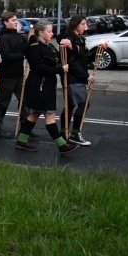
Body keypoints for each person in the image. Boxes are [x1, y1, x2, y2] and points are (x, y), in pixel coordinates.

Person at [16, 20, 79, 155]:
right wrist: (60, 70)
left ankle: (22, 141)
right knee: (49, 114)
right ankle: (62, 145)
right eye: (49, 31)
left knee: (34, 113)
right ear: (40, 32)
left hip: (47, 84)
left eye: (52, 31)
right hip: (39, 85)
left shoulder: (49, 46)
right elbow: (40, 68)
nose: (52, 34)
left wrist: (69, 48)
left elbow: (63, 59)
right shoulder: (34, 48)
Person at [58, 15, 93, 146]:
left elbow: (85, 58)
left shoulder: (79, 39)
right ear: (75, 24)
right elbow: (71, 62)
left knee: (71, 104)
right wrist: (86, 76)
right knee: (83, 104)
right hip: (72, 78)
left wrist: (99, 51)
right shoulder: (69, 40)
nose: (86, 26)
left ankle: (63, 132)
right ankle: (75, 133)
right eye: (83, 24)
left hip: (77, 77)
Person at [0, 11, 27, 139]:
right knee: (3, 102)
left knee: (24, 100)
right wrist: (21, 55)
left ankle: (25, 127)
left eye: (16, 20)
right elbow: (6, 56)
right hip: (7, 75)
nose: (16, 22)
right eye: (13, 20)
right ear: (5, 22)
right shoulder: (4, 38)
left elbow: (26, 48)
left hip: (19, 73)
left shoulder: (19, 36)